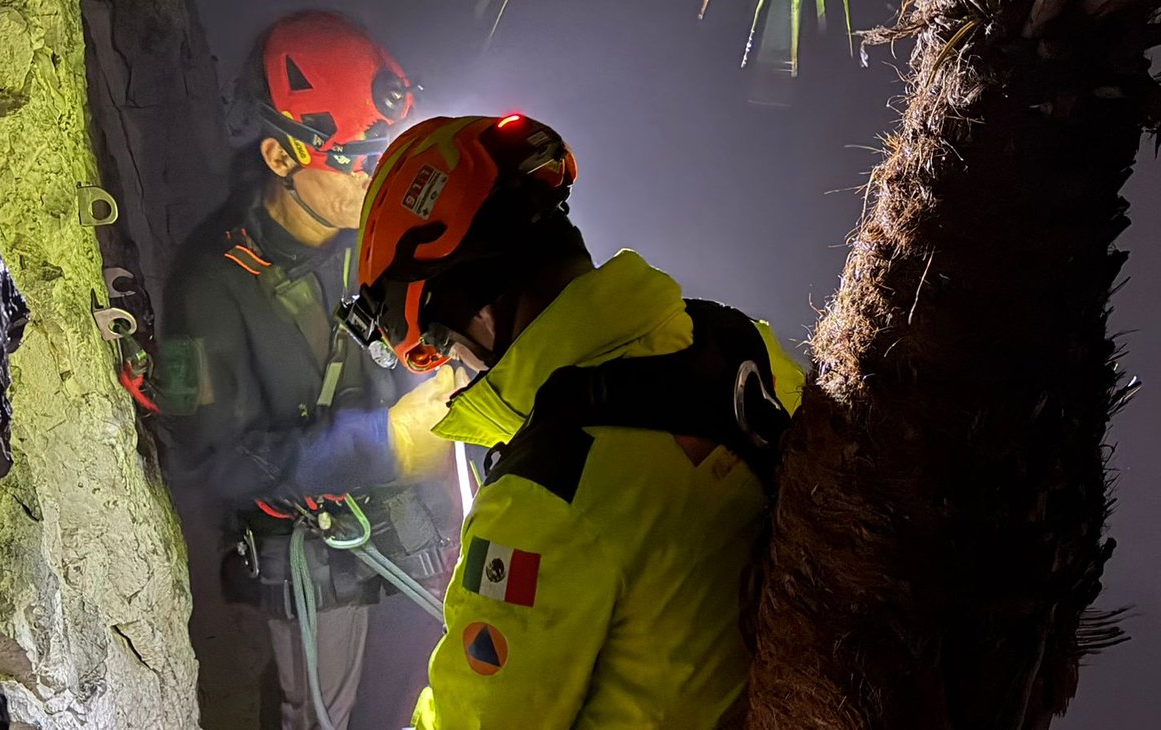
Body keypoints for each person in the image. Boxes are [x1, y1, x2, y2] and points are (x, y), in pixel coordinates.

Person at [338, 114, 807, 728]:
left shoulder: (544, 496)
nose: (459, 369)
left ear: (470, 305)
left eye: (445, 345)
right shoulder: (742, 343)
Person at [155, 13, 459, 730]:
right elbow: (214, 465)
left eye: (385, 152)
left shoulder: (377, 236)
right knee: (317, 713)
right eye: (357, 159)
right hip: (318, 545)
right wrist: (383, 442)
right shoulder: (210, 283)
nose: (376, 176)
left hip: (412, 525)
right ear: (282, 155)